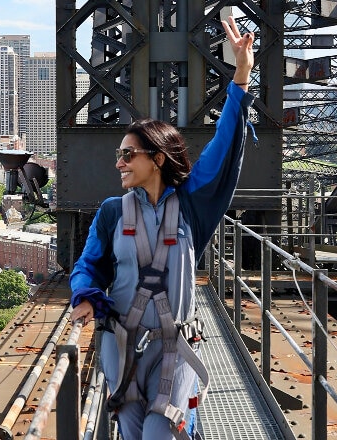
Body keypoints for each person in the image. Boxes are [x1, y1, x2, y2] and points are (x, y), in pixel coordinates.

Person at [69, 16, 255, 440]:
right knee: (133, 432)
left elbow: (224, 147)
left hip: (175, 348)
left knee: (159, 432)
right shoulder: (112, 212)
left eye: (128, 153)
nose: (118, 161)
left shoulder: (192, 208)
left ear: (156, 158)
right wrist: (84, 296)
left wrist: (241, 76)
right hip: (122, 345)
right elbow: (89, 266)